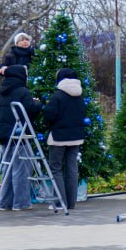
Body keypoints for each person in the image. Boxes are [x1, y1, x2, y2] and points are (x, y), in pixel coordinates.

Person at [0, 65, 42, 210]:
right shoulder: (23, 91)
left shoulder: (2, 92)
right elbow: (30, 110)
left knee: (7, 169)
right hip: (19, 135)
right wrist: (37, 103)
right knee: (21, 169)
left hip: (4, 135)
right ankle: (21, 203)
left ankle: (5, 202)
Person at [42, 68, 87, 210]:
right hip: (76, 137)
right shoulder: (79, 95)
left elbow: (49, 115)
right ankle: (71, 202)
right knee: (72, 168)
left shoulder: (58, 96)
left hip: (58, 137)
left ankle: (59, 202)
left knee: (56, 168)